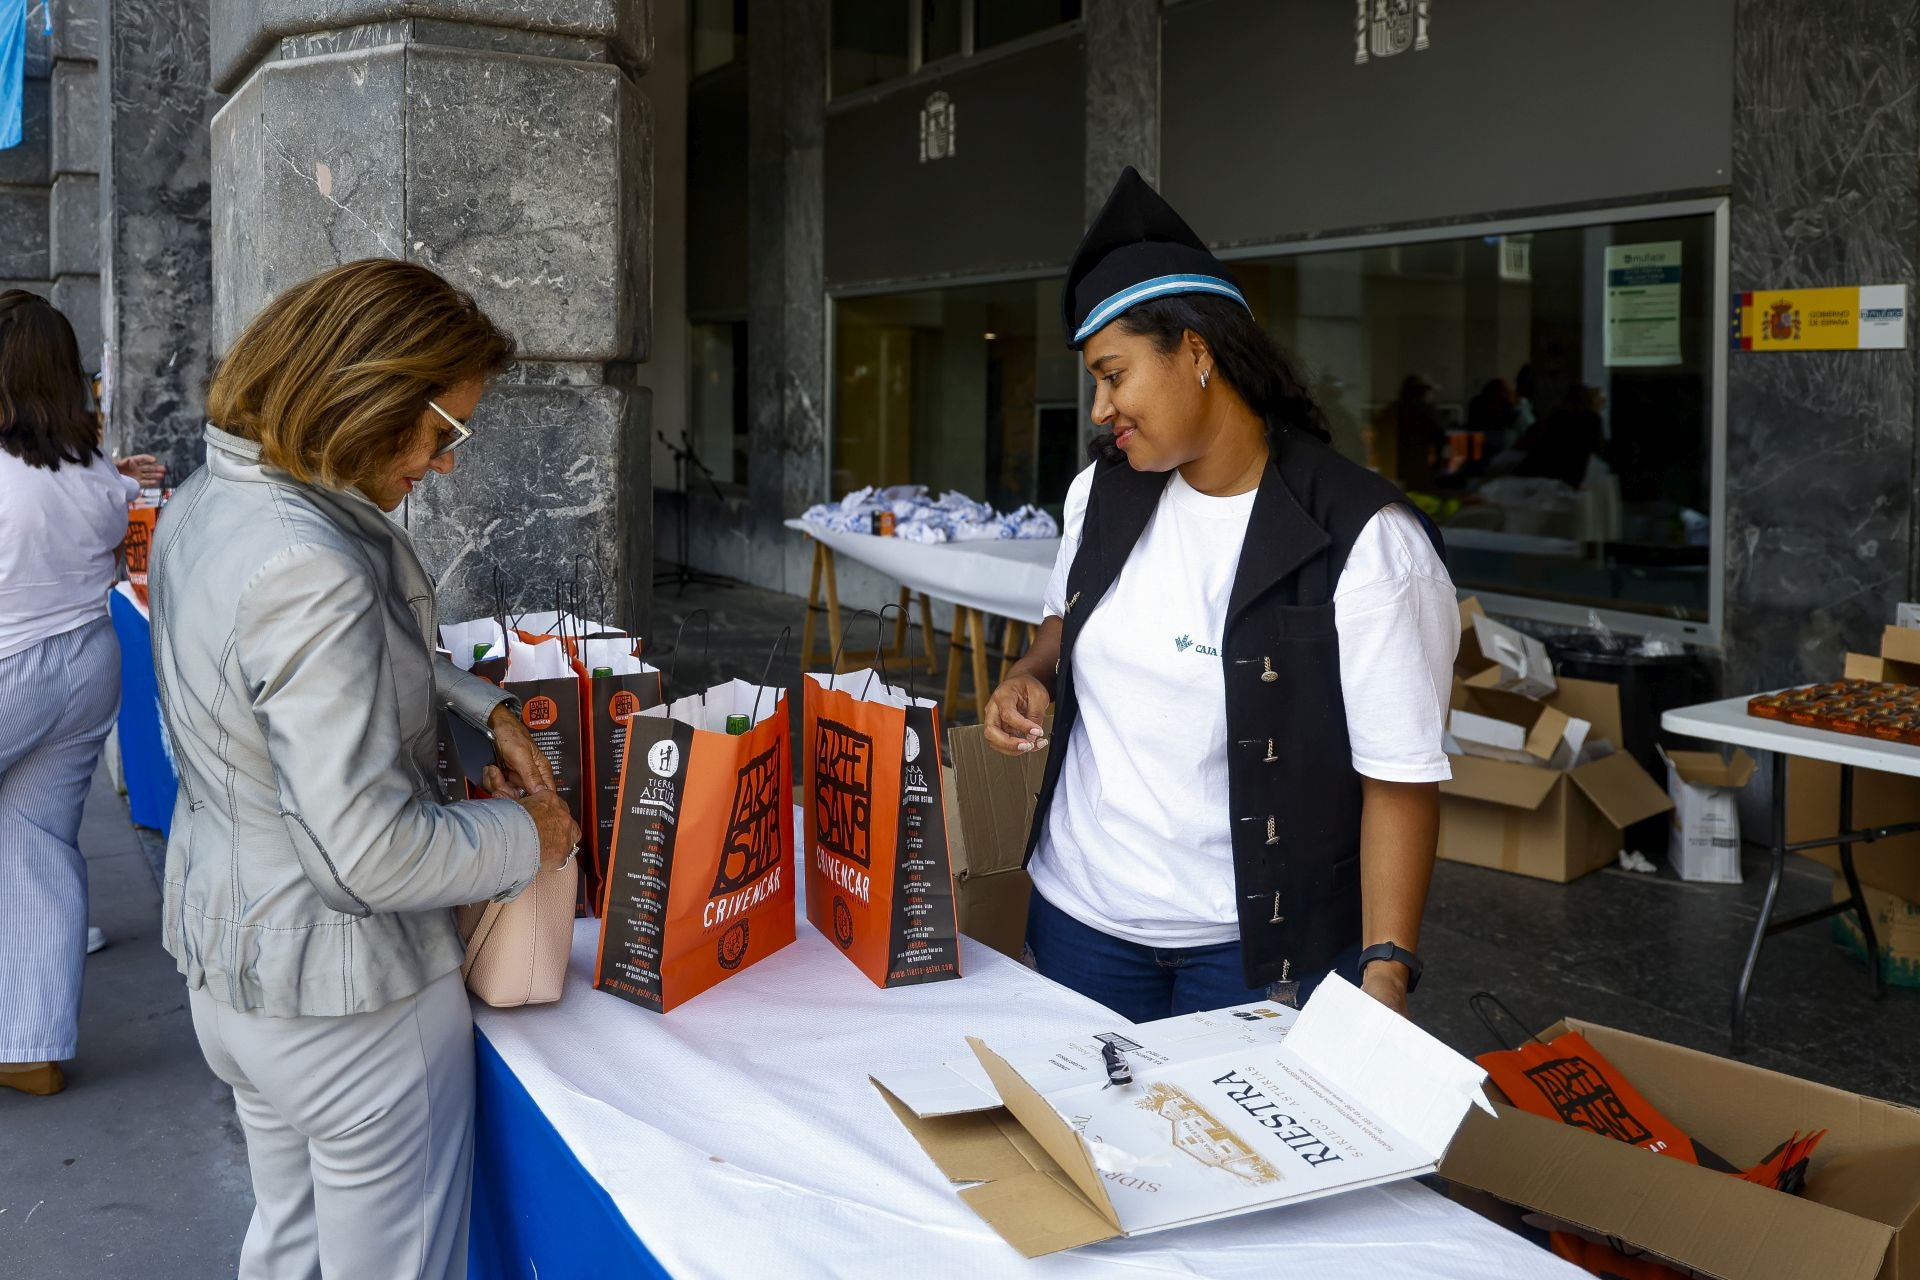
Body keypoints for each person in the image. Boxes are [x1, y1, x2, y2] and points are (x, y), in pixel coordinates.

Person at [150, 259, 580, 1279]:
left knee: (288, 1243)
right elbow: (372, 853)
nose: (444, 465)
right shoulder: (308, 560)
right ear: (371, 396)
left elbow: (301, 673)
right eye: (444, 431)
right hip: (349, 995)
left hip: (239, 964)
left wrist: (485, 705)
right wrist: (536, 835)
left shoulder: (216, 499)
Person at [983, 169, 1459, 1023]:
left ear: (1195, 353)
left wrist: (1383, 978)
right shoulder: (1105, 493)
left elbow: (1400, 780)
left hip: (1256, 954)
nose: (1100, 408)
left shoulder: (1363, 537)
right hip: (1080, 923)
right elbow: (1068, 618)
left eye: (1114, 374)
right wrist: (1033, 671)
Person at [0, 292, 133, 1097]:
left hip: (8, 666)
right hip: (85, 665)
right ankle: (29, 1047)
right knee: (35, 839)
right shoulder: (96, 474)